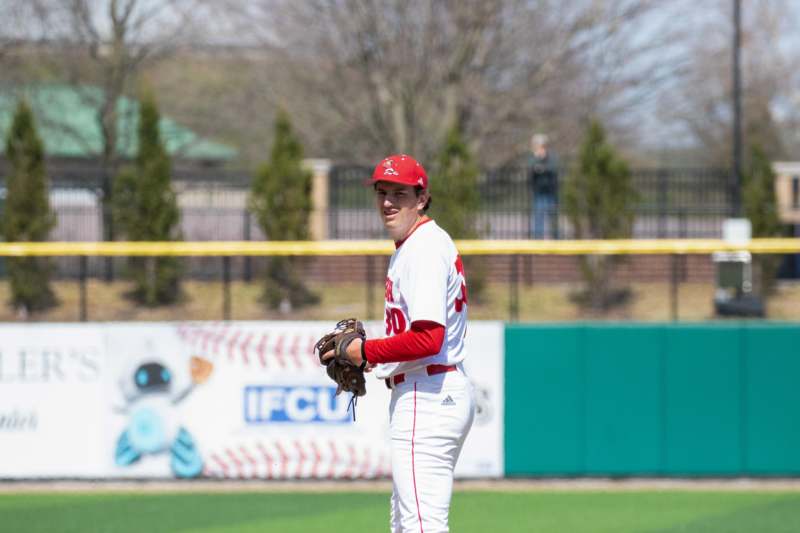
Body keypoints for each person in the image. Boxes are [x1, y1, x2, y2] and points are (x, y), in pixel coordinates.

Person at [321, 154, 475, 532]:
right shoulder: (419, 244)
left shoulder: (422, 249)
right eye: (381, 192)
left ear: (421, 198)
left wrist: (365, 351)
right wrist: (377, 356)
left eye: (399, 193)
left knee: (421, 525)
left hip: (428, 393)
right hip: (432, 389)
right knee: (406, 524)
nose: (388, 202)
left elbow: (428, 337)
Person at [528, 133, 560, 239]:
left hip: (551, 191)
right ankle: (538, 238)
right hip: (539, 192)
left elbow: (553, 168)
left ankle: (556, 238)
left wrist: (542, 166)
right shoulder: (533, 157)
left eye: (540, 145)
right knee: (538, 216)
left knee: (553, 216)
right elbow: (531, 167)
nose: (538, 147)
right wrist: (538, 159)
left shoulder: (552, 157)